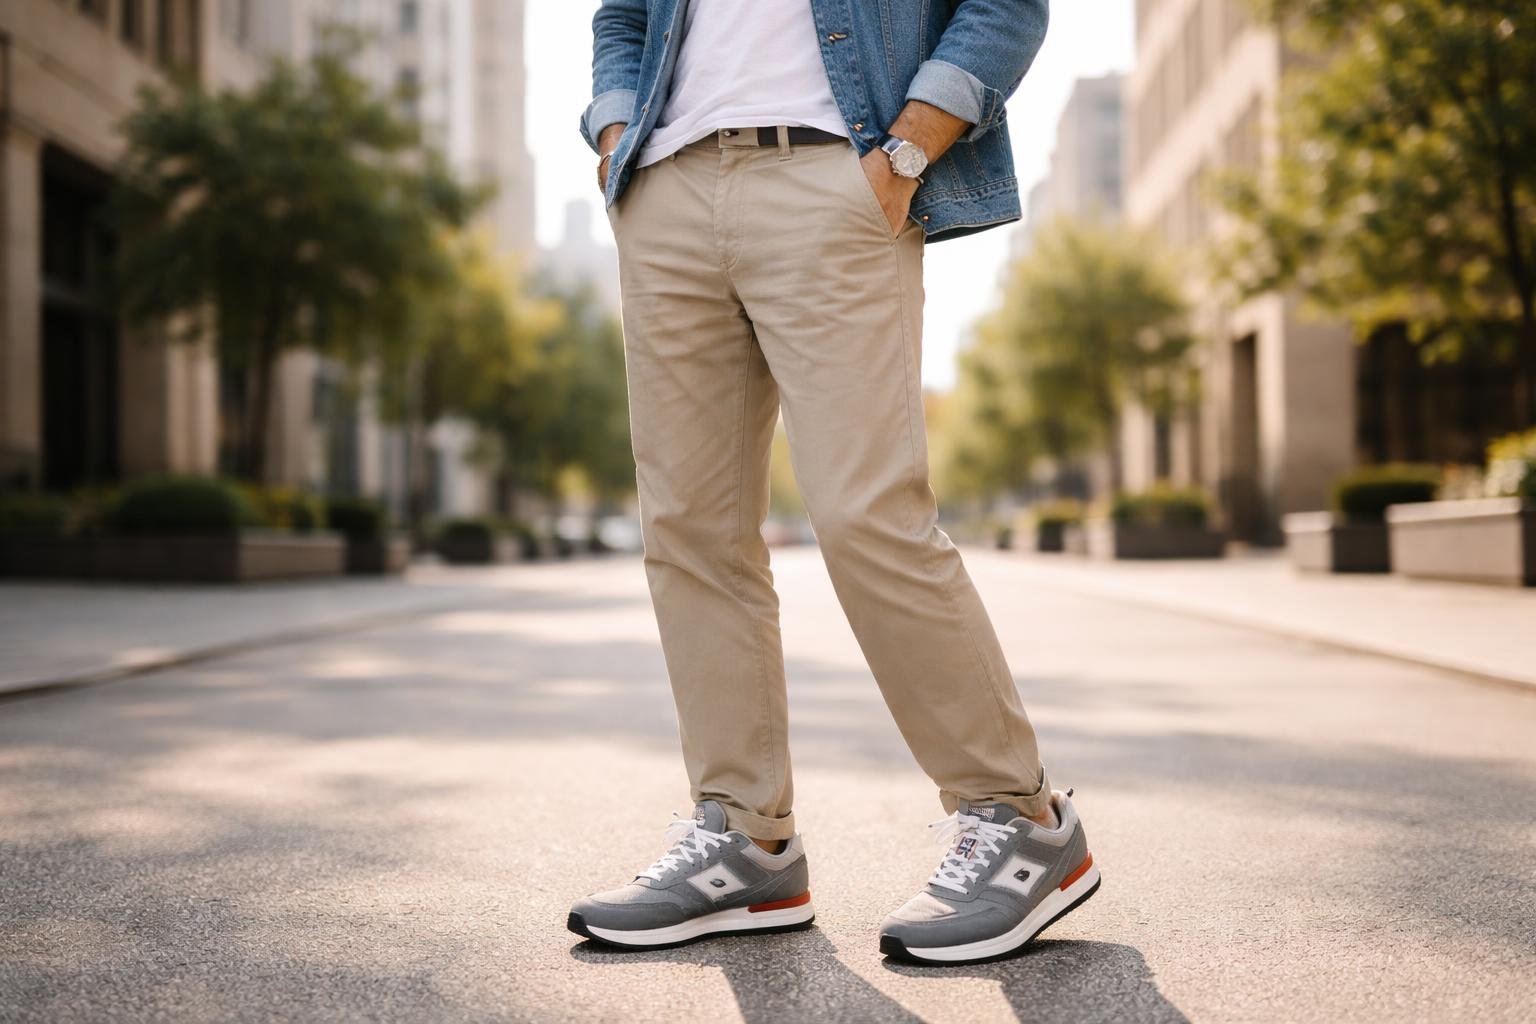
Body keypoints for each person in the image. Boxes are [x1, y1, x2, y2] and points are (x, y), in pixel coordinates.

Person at [566, 0, 1098, 965]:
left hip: (838, 169)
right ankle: (745, 838)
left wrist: (907, 150)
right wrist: (615, 139)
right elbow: (624, 18)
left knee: (867, 514)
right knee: (689, 528)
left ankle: (1022, 820)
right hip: (668, 183)